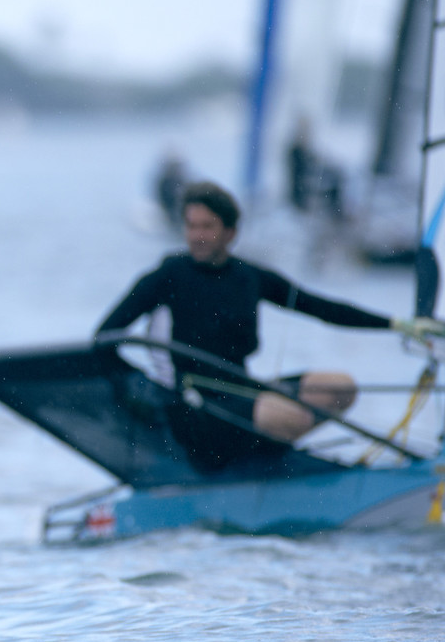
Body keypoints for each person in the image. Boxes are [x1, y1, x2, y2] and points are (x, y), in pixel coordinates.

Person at [97, 181, 441, 452]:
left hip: (243, 391)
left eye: (207, 226)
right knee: (289, 416)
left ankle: (263, 450)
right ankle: (265, 447)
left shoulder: (250, 277)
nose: (197, 236)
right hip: (195, 407)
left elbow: (319, 307)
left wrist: (397, 324)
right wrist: (133, 396)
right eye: (191, 226)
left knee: (340, 388)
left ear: (230, 233)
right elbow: (105, 337)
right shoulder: (167, 276)